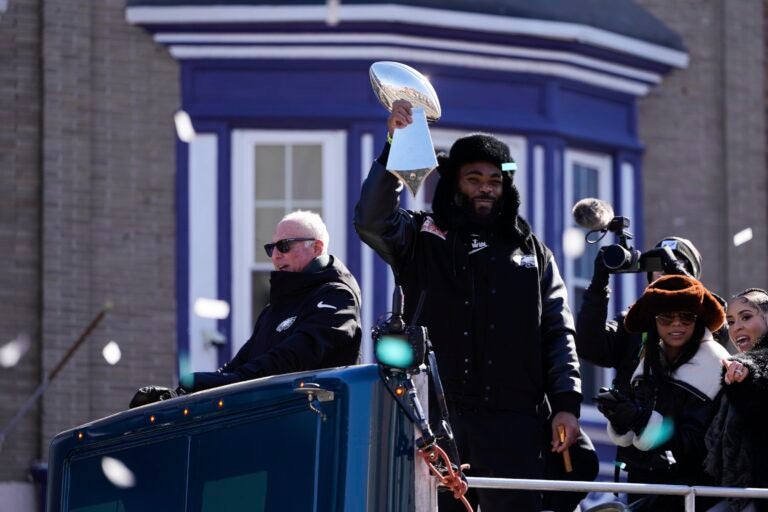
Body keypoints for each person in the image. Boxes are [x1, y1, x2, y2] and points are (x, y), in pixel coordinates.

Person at [354, 100, 583, 511]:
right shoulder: (420, 236)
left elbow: (558, 332)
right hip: (435, 419)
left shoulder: (533, 252)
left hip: (516, 425)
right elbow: (371, 220)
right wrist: (394, 146)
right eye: (474, 178)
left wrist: (566, 404)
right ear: (454, 183)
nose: (485, 188)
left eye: (495, 179)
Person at [130, 210, 361, 406]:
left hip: (319, 426)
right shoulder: (274, 310)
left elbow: (291, 360)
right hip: (271, 424)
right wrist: (179, 395)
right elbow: (238, 367)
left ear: (317, 247)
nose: (276, 255)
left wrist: (214, 382)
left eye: (285, 245)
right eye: (272, 248)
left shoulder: (338, 296)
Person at [596, 274, 729, 511]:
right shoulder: (648, 359)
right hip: (644, 486)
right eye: (666, 317)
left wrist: (639, 420)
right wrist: (619, 417)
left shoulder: (717, 365)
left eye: (686, 317)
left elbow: (700, 447)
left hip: (691, 494)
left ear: (698, 321)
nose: (676, 324)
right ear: (654, 323)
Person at [576, 236, 705, 395]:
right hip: (633, 419)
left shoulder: (703, 321)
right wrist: (598, 286)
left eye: (676, 263)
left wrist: (685, 284)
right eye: (659, 263)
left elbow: (719, 329)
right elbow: (589, 347)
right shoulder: (632, 322)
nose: (665, 269)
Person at [704, 288, 768, 512]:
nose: (737, 326)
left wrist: (746, 374)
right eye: (730, 321)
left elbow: (759, 368)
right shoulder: (731, 367)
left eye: (746, 317)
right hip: (739, 492)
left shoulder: (747, 367)